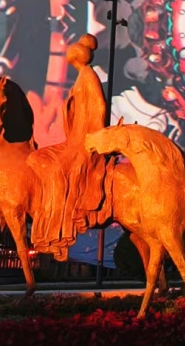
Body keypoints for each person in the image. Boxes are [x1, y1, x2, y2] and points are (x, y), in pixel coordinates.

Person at [27, 35, 111, 260]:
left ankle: (61, 224)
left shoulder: (88, 76)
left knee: (58, 168)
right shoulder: (82, 77)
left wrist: (95, 136)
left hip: (84, 141)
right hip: (74, 139)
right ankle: (50, 217)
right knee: (36, 158)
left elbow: (99, 106)